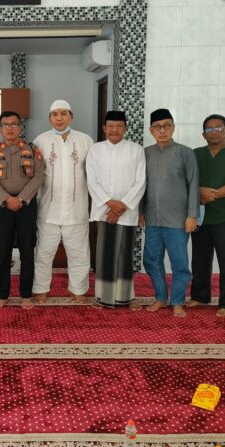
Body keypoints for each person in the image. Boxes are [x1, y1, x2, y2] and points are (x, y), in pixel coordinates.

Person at [187, 114, 225, 317]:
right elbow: (186, 180)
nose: (214, 132)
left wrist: (213, 194)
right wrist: (199, 192)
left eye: (218, 128)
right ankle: (200, 296)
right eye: (209, 129)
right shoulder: (195, 154)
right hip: (200, 217)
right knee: (199, 260)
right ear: (203, 134)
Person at [32, 99, 94, 303]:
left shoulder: (86, 140)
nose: (59, 118)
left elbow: (93, 173)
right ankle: (41, 289)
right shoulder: (40, 141)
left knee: (79, 254)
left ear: (71, 116)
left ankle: (78, 290)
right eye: (55, 114)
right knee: (43, 253)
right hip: (48, 209)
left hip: (77, 209)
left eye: (63, 113)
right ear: (49, 118)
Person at [141, 108, 199, 317]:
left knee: (179, 263)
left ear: (173, 128)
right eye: (157, 127)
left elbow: (194, 185)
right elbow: (140, 186)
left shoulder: (185, 153)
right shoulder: (145, 154)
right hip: (152, 219)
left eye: (166, 126)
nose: (162, 130)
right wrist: (140, 212)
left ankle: (177, 301)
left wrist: (192, 215)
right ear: (151, 130)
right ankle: (160, 297)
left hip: (178, 220)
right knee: (151, 260)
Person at [0, 111, 45, 309]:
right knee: (3, 252)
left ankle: (26, 294)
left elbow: (38, 176)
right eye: (5, 125)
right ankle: (3, 294)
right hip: (3, 207)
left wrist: (21, 199)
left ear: (20, 128)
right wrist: (6, 199)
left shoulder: (32, 150)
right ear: (0, 129)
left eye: (13, 124)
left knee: (27, 250)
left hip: (26, 206)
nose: (9, 128)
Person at [86, 110, 146, 309]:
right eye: (110, 126)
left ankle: (125, 297)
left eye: (119, 126)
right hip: (103, 211)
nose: (114, 130)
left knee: (125, 253)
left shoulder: (136, 150)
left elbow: (140, 182)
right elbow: (92, 181)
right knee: (104, 253)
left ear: (125, 128)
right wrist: (109, 203)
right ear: (104, 128)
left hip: (127, 211)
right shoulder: (95, 150)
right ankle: (103, 297)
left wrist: (121, 207)